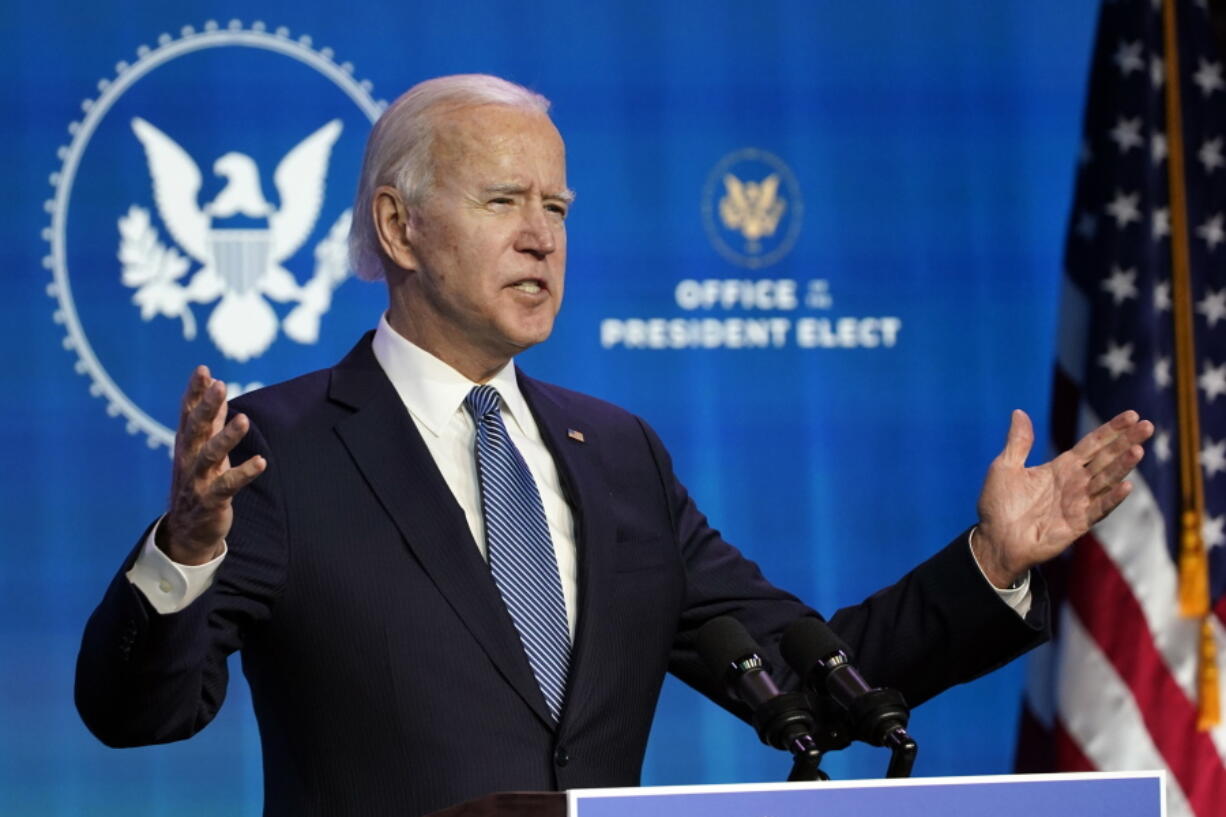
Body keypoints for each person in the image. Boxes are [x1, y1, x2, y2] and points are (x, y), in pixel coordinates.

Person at [75, 74, 1153, 817]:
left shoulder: (616, 454)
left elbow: (810, 679)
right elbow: (140, 712)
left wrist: (992, 562)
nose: (542, 234)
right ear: (398, 228)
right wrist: (185, 547)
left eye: (557, 204)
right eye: (503, 200)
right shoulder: (283, 447)